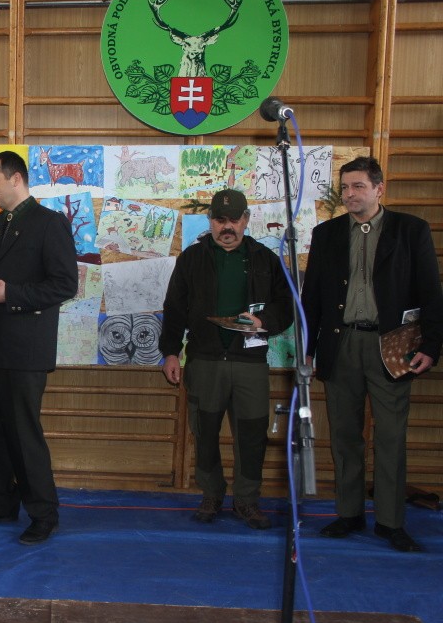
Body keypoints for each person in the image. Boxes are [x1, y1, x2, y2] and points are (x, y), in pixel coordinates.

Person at [302, 156, 442, 552]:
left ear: (379, 189)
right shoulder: (326, 233)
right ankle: (348, 513)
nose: (350, 194)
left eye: (358, 186)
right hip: (341, 344)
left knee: (391, 436)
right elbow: (312, 297)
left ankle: (390, 522)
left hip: (392, 346)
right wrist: (307, 350)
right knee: (344, 435)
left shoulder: (410, 230)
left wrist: (431, 347)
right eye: (345, 187)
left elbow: (431, 291)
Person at [0, 151, 78, 545]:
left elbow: (65, 284)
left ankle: (43, 513)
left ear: (16, 179)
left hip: (25, 349)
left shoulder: (50, 224)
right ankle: (1, 501)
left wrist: (13, 294)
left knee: (24, 433)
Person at [159, 189, 292, 530]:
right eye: (220, 220)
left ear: (246, 220)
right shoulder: (192, 258)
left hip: (250, 363)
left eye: (234, 220)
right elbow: (174, 308)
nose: (227, 227)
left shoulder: (266, 259)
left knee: (252, 435)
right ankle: (212, 494)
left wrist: (263, 321)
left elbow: (286, 306)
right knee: (204, 433)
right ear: (211, 221)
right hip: (204, 361)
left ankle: (247, 500)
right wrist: (170, 352)